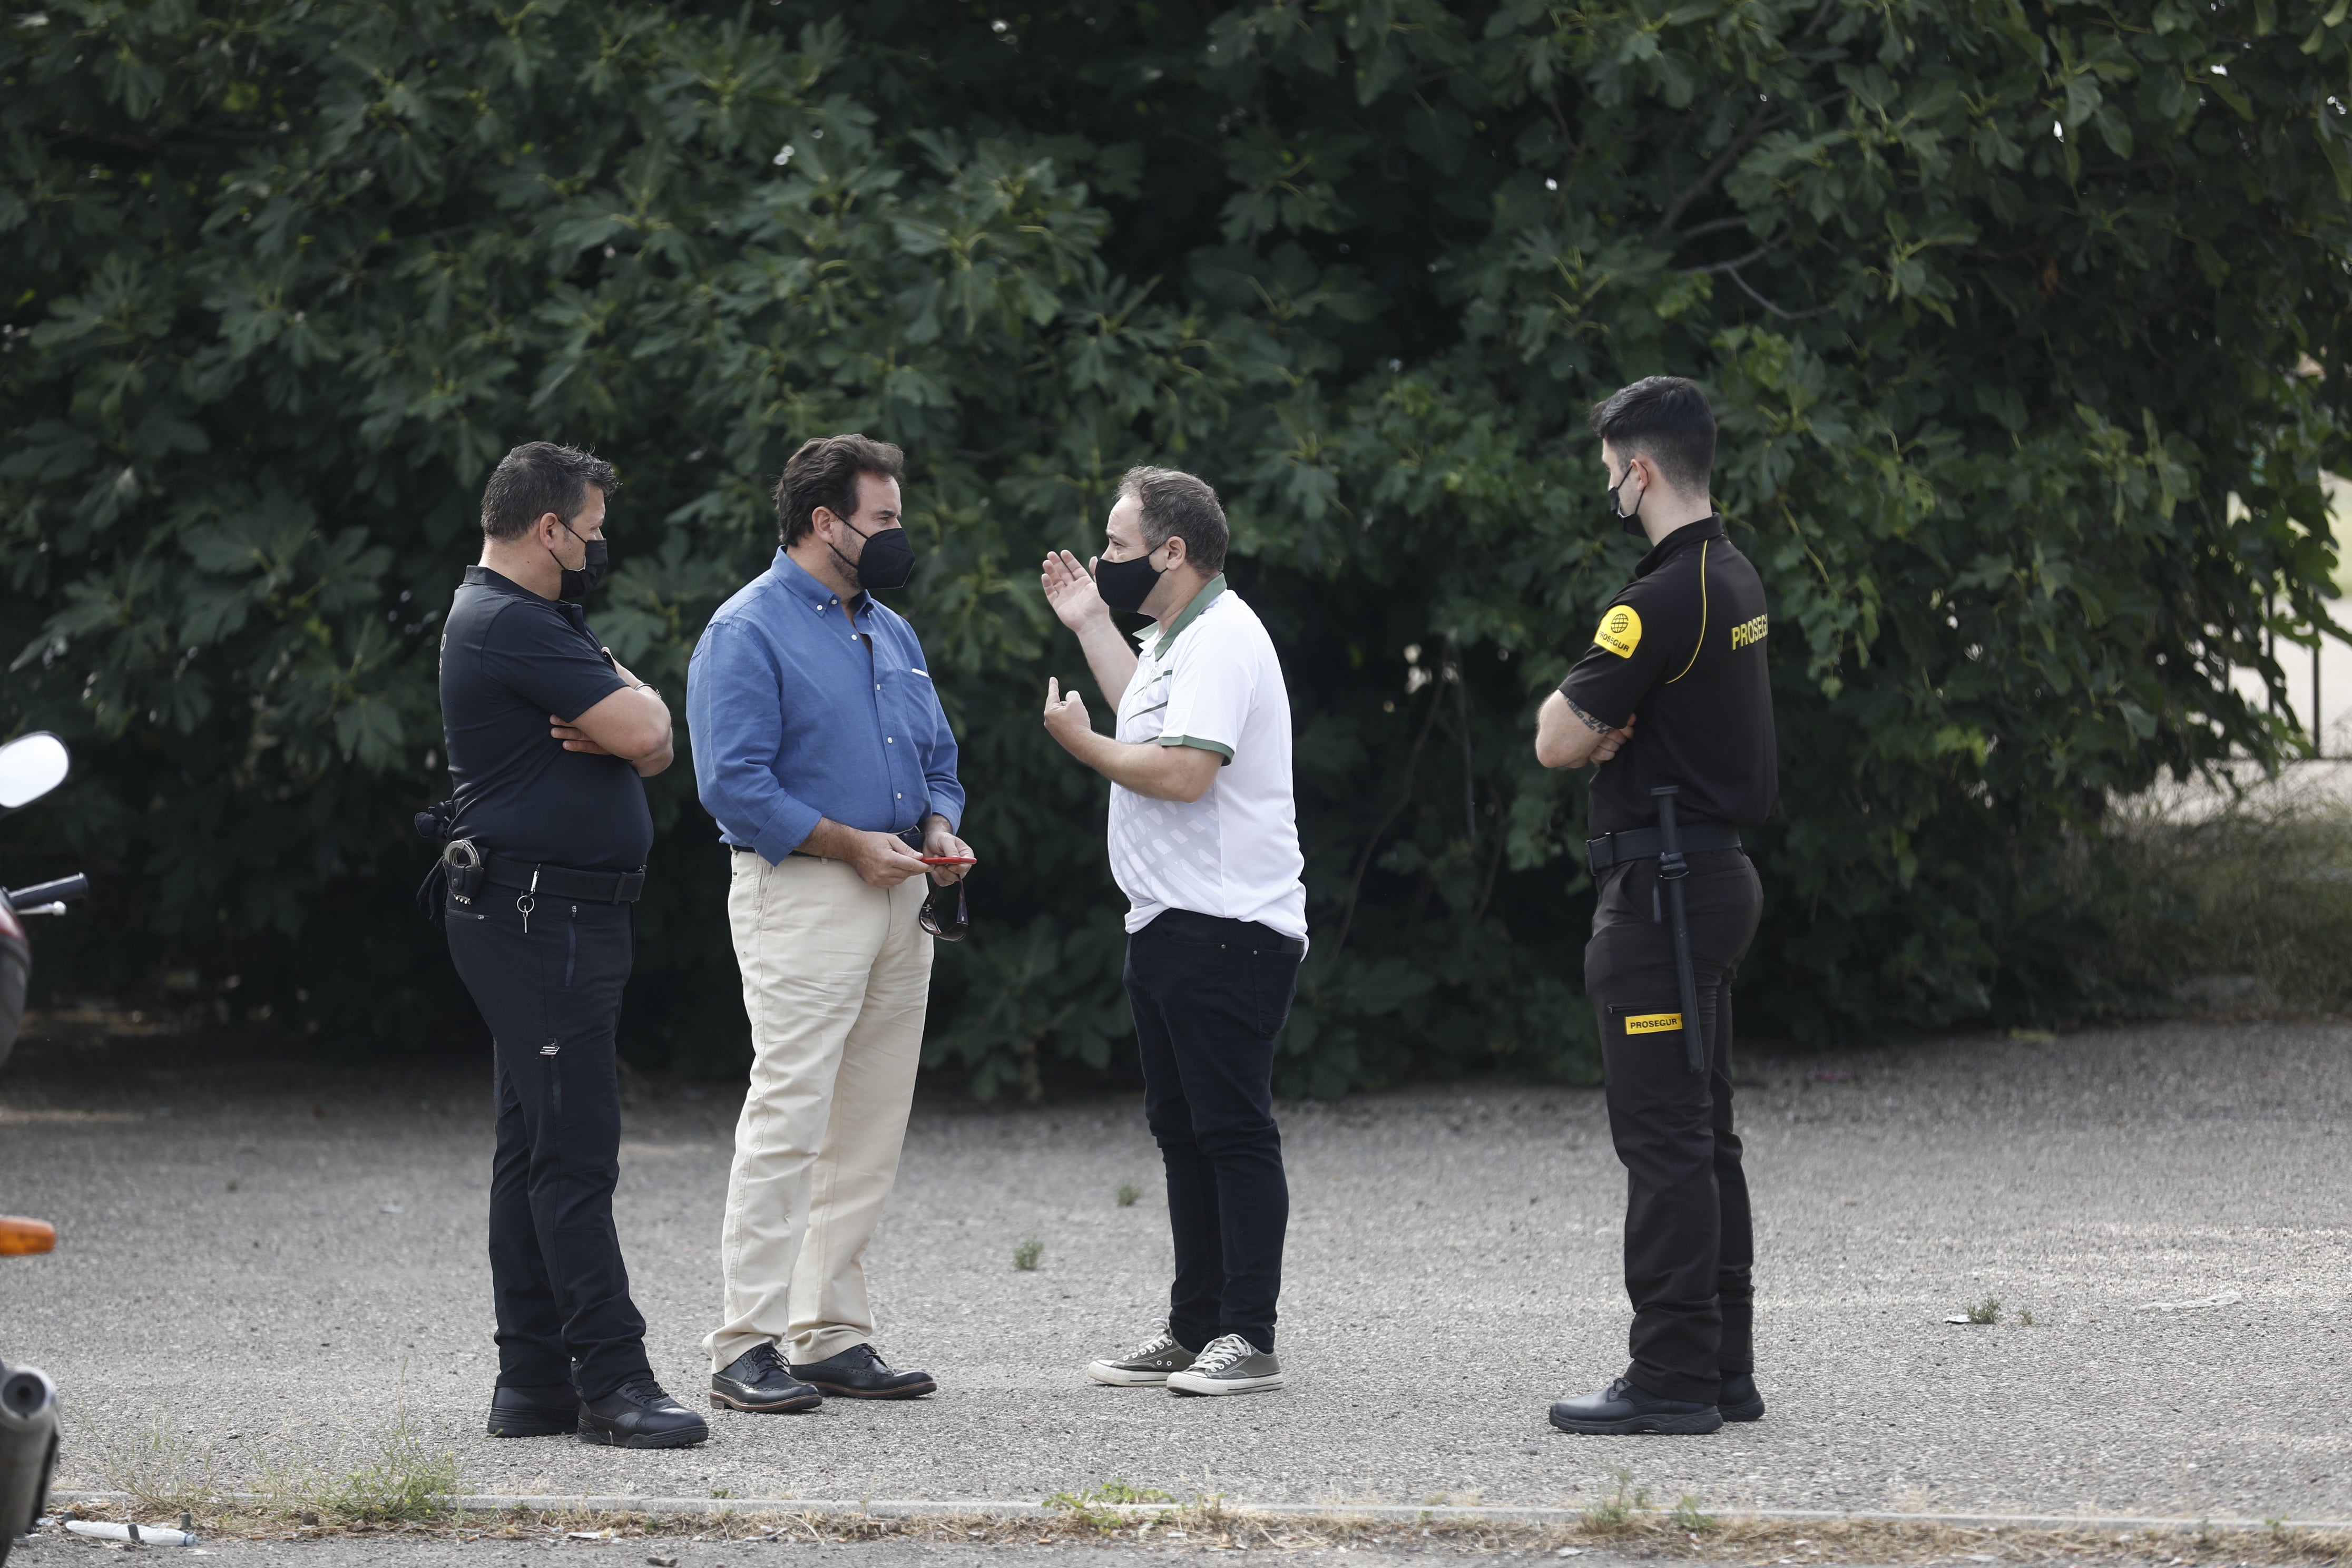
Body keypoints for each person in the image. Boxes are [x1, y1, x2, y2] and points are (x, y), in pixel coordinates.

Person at [687, 433, 973, 1415]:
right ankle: (743, 1344)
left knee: (868, 1126)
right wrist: (852, 845)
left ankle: (830, 1334)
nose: (899, 535)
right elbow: (732, 783)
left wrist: (940, 827)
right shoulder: (746, 628)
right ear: (826, 522)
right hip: (805, 890)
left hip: (903, 890)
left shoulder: (890, 629)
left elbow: (939, 760)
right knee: (789, 1116)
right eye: (884, 518)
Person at [435, 442, 708, 1449]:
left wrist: (640, 719)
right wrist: (638, 717)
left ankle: (535, 1384)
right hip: (538, 919)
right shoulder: (512, 622)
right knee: (575, 1156)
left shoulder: (531, 622)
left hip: (547, 915)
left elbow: (651, 733)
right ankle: (613, 1383)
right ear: (548, 529)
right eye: (591, 533)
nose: (600, 549)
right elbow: (646, 732)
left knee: (534, 1149)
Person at [1532, 376, 1778, 1436]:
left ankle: (1673, 1375)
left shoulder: (1659, 597)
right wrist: (1613, 727)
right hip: (1712, 879)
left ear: (1638, 470)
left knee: (1666, 1142)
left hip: (1662, 900)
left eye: (1609, 472)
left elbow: (1554, 736)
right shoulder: (1735, 575)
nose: (1609, 489)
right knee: (1704, 1133)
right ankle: (1723, 1364)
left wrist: (1600, 727)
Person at [1038, 466, 1306, 1398]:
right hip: (1166, 926)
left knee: (1232, 1131)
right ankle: (1195, 1329)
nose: (1104, 558)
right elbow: (1142, 712)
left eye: (1116, 546)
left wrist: (1084, 751)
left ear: (1173, 550)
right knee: (1182, 1133)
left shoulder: (1227, 639)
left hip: (1227, 929)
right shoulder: (1172, 639)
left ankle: (1250, 1335)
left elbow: (1184, 771)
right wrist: (1090, 627)